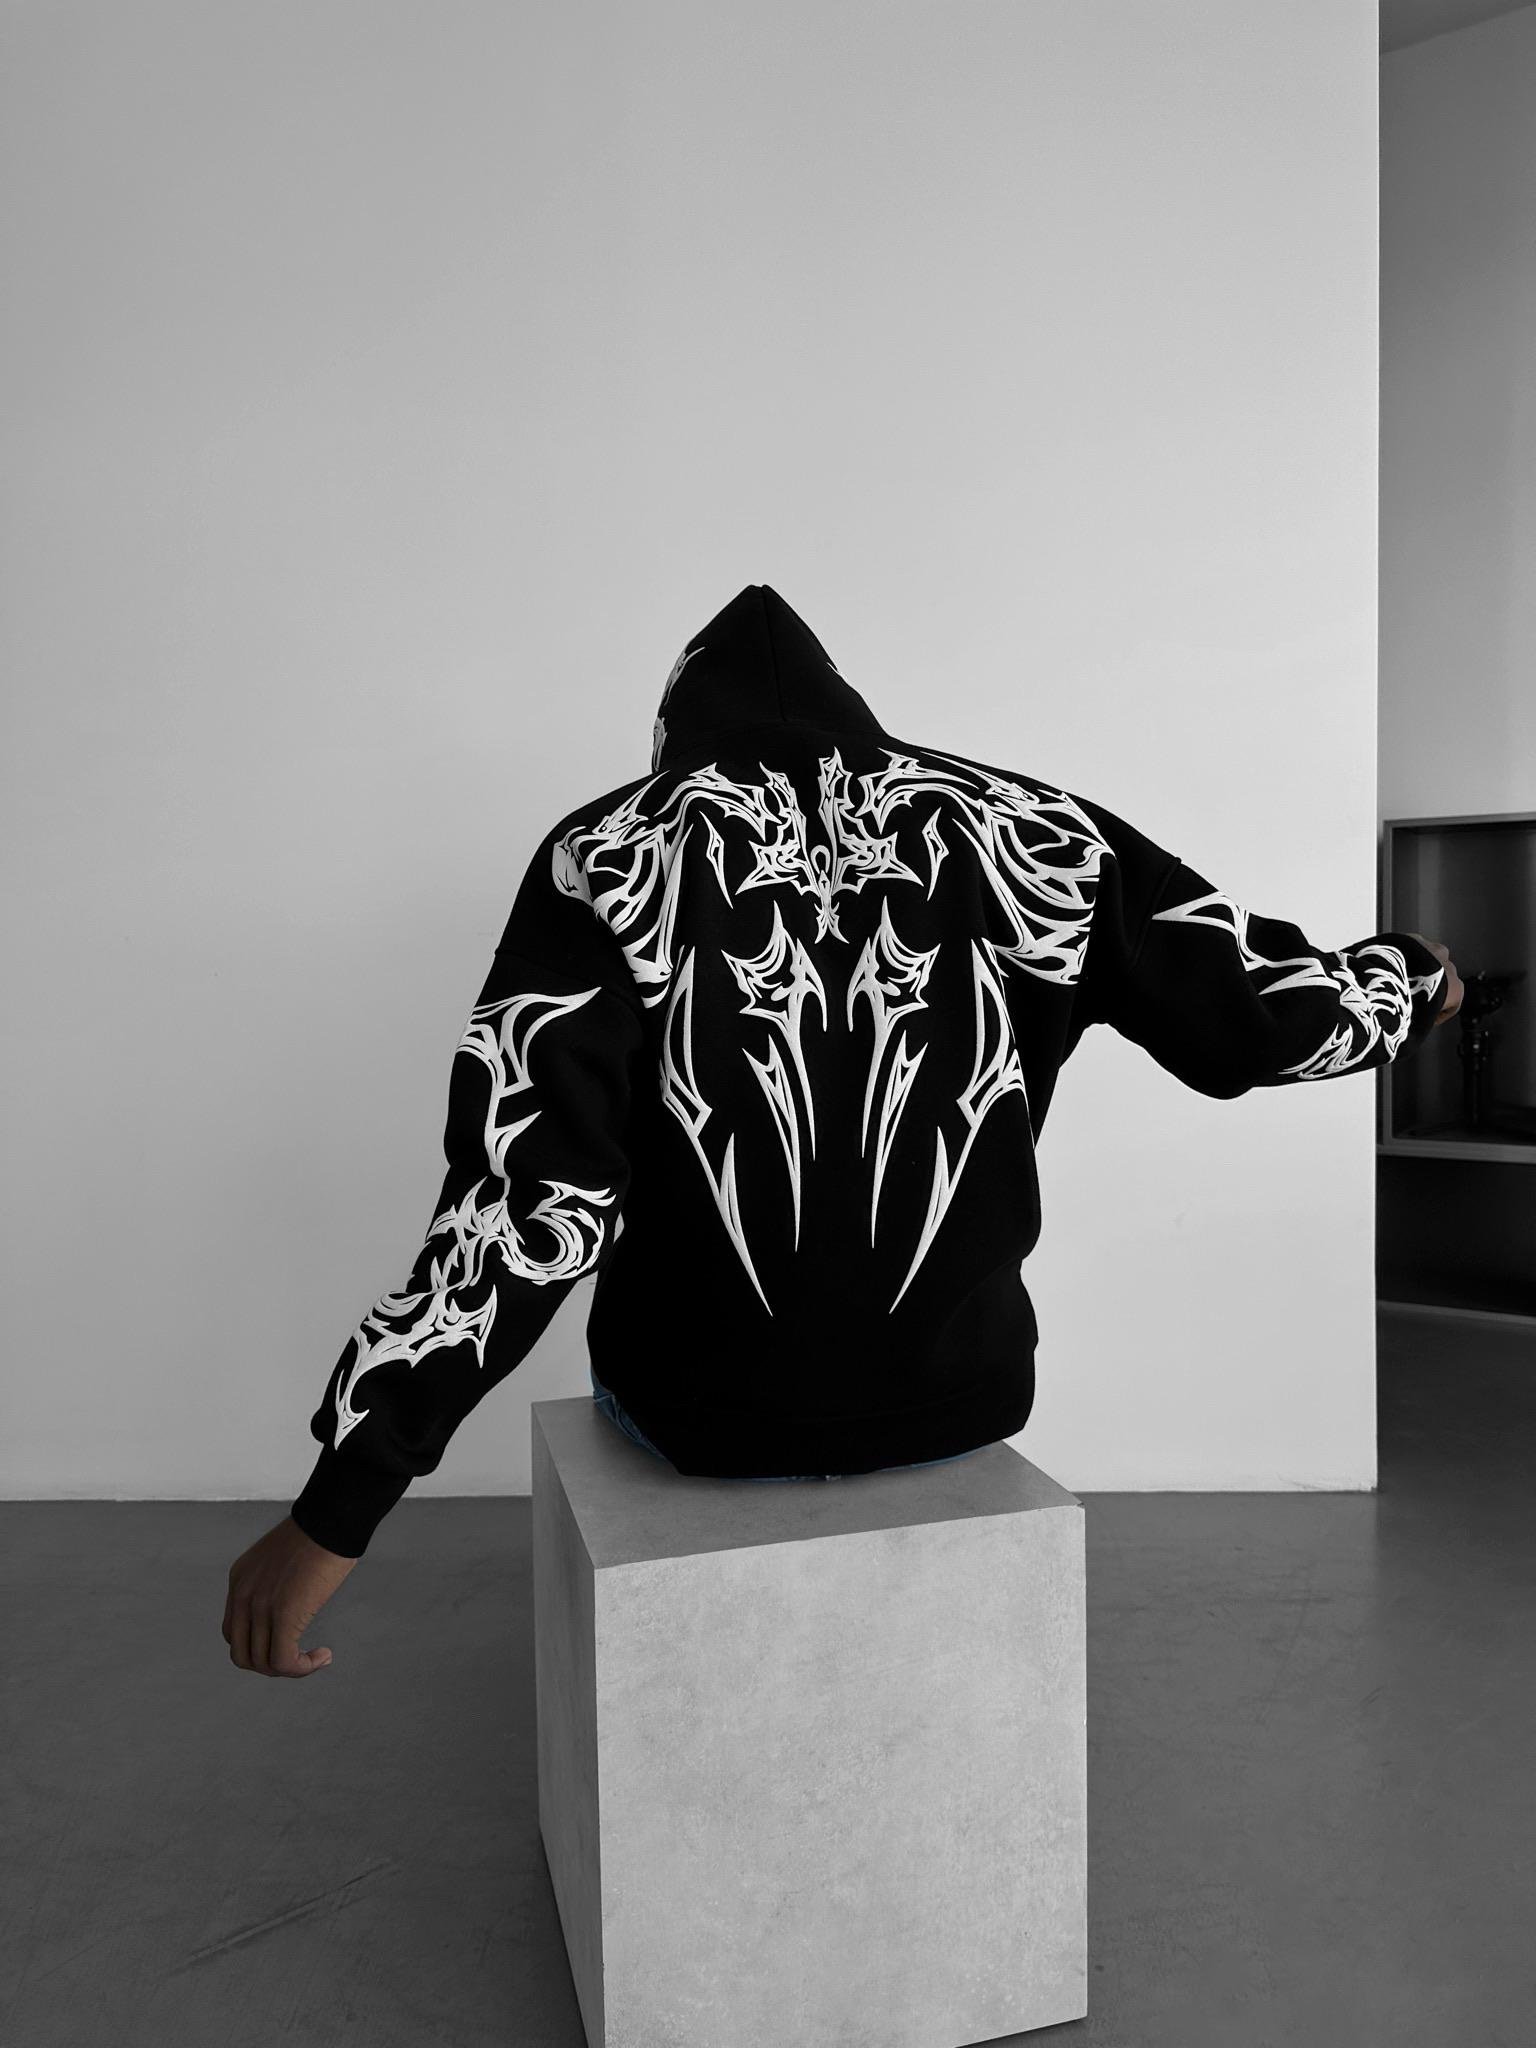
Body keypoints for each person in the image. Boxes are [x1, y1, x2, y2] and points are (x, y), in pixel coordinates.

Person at [223, 584, 1462, 1677]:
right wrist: (1410, 976)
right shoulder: (1035, 830)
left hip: (697, 1414)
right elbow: (1258, 1018)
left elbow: (528, 1201)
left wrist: (342, 1502)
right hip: (961, 1393)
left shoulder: (610, 852)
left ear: (672, 735)